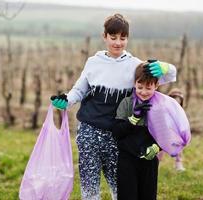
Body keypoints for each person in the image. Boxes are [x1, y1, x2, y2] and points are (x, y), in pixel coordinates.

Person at [50, 13, 177, 200]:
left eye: (123, 38)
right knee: (90, 187)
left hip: (119, 135)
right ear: (104, 36)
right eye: (113, 37)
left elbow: (165, 77)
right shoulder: (93, 63)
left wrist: (166, 67)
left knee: (121, 188)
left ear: (127, 38)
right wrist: (66, 100)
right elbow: (79, 90)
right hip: (89, 132)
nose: (118, 42)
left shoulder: (134, 65)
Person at [112, 62, 161, 200]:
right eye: (140, 87)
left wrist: (158, 147)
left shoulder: (161, 106)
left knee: (148, 195)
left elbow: (167, 134)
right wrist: (133, 118)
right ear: (134, 83)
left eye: (148, 87)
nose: (143, 92)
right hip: (127, 160)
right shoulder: (126, 103)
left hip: (149, 162)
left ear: (156, 86)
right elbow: (117, 132)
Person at [168, 88, 186, 171]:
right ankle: (157, 163)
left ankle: (178, 164)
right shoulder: (165, 110)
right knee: (159, 149)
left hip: (176, 133)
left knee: (178, 148)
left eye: (178, 102)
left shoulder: (181, 111)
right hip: (166, 132)